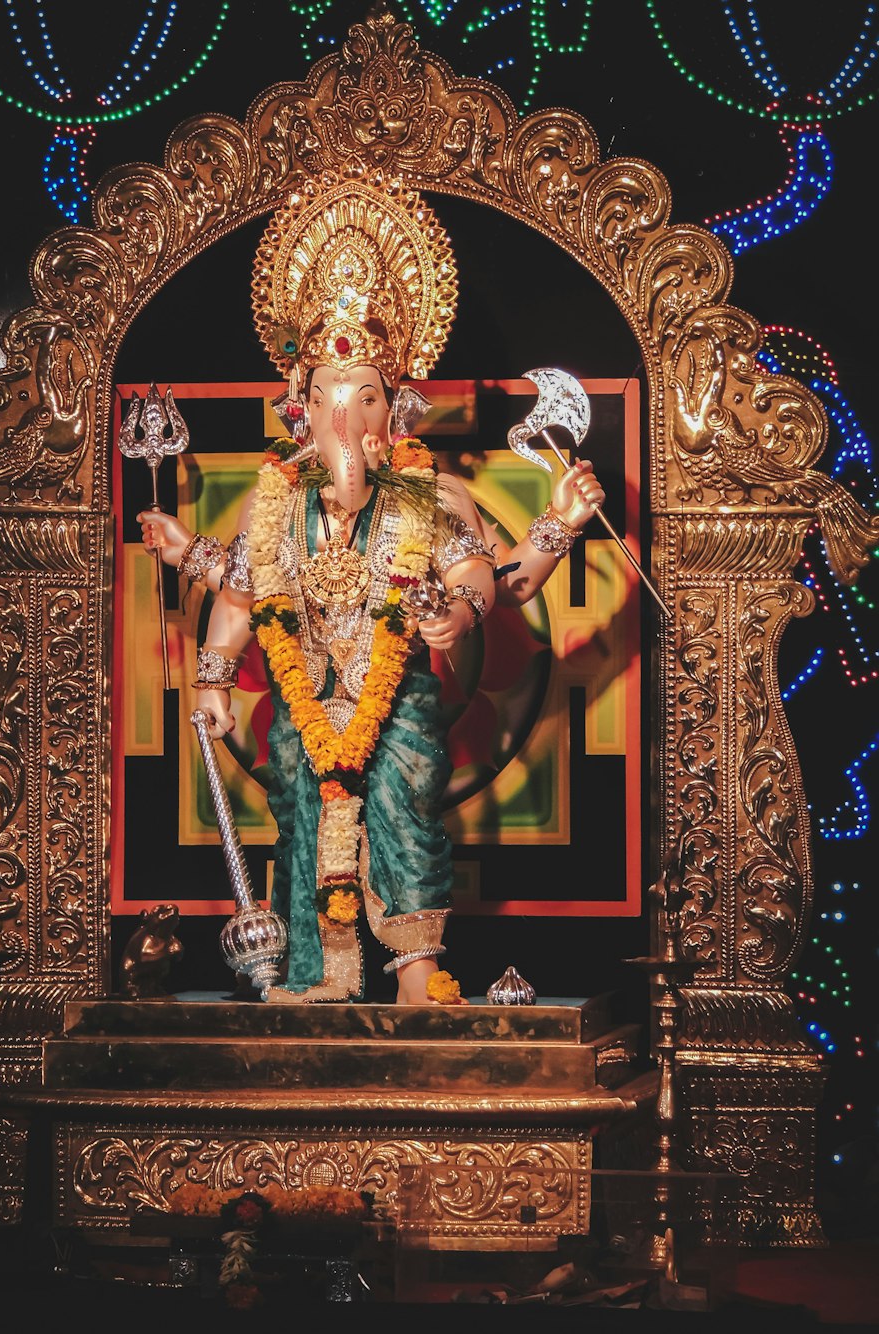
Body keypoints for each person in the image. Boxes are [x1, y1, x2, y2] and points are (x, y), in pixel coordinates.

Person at [138, 173, 604, 1004]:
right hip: (305, 692)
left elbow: (490, 580)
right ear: (300, 408)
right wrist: (212, 679)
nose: (347, 417)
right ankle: (319, 975)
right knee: (301, 812)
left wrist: (467, 603)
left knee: (404, 805)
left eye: (367, 396)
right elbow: (244, 593)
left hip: (401, 701)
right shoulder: (274, 497)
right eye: (329, 397)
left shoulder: (433, 494)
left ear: (396, 405)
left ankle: (418, 971)